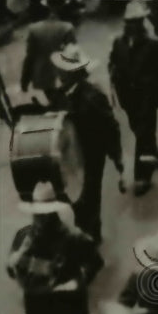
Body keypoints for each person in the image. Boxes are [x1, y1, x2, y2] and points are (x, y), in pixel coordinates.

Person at [6, 181, 104, 314]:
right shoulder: (23, 237)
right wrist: (16, 264)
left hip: (66, 305)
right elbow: (12, 270)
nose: (40, 220)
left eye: (45, 215)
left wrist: (78, 281)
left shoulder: (71, 237)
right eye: (37, 215)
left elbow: (95, 261)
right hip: (39, 306)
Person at [51, 44, 125, 242]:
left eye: (63, 70)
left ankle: (92, 238)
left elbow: (111, 127)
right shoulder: (60, 95)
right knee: (74, 197)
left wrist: (117, 157)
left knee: (88, 200)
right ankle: (86, 231)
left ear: (73, 73)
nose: (58, 73)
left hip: (91, 157)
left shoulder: (92, 97)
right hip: (70, 156)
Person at [108, 0, 158, 196]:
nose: (133, 26)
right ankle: (152, 154)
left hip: (147, 96)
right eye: (130, 22)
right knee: (140, 131)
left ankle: (143, 177)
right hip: (128, 98)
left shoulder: (154, 44)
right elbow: (113, 62)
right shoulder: (119, 42)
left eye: (137, 22)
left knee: (143, 134)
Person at [19, 0, 77, 100]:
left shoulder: (34, 29)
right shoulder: (67, 28)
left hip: (43, 78)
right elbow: (73, 56)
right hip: (63, 78)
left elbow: (29, 57)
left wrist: (24, 80)